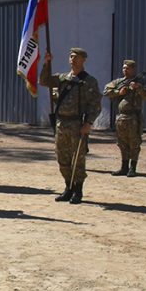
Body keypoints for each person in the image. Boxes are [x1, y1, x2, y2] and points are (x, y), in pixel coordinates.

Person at [40, 48, 101, 204]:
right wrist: (46, 64)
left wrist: (88, 123)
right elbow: (44, 81)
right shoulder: (62, 78)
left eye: (77, 57)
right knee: (62, 158)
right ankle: (68, 187)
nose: (73, 59)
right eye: (71, 56)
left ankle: (78, 191)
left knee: (78, 159)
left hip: (77, 124)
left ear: (83, 60)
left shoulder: (89, 81)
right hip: (61, 123)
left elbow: (95, 105)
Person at [103, 59, 146, 177]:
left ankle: (133, 168)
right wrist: (119, 92)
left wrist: (138, 88)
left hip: (134, 117)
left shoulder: (141, 82)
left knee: (134, 143)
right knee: (122, 142)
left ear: (133, 69)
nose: (125, 70)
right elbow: (106, 91)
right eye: (124, 68)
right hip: (121, 117)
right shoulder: (119, 82)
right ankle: (124, 167)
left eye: (127, 68)